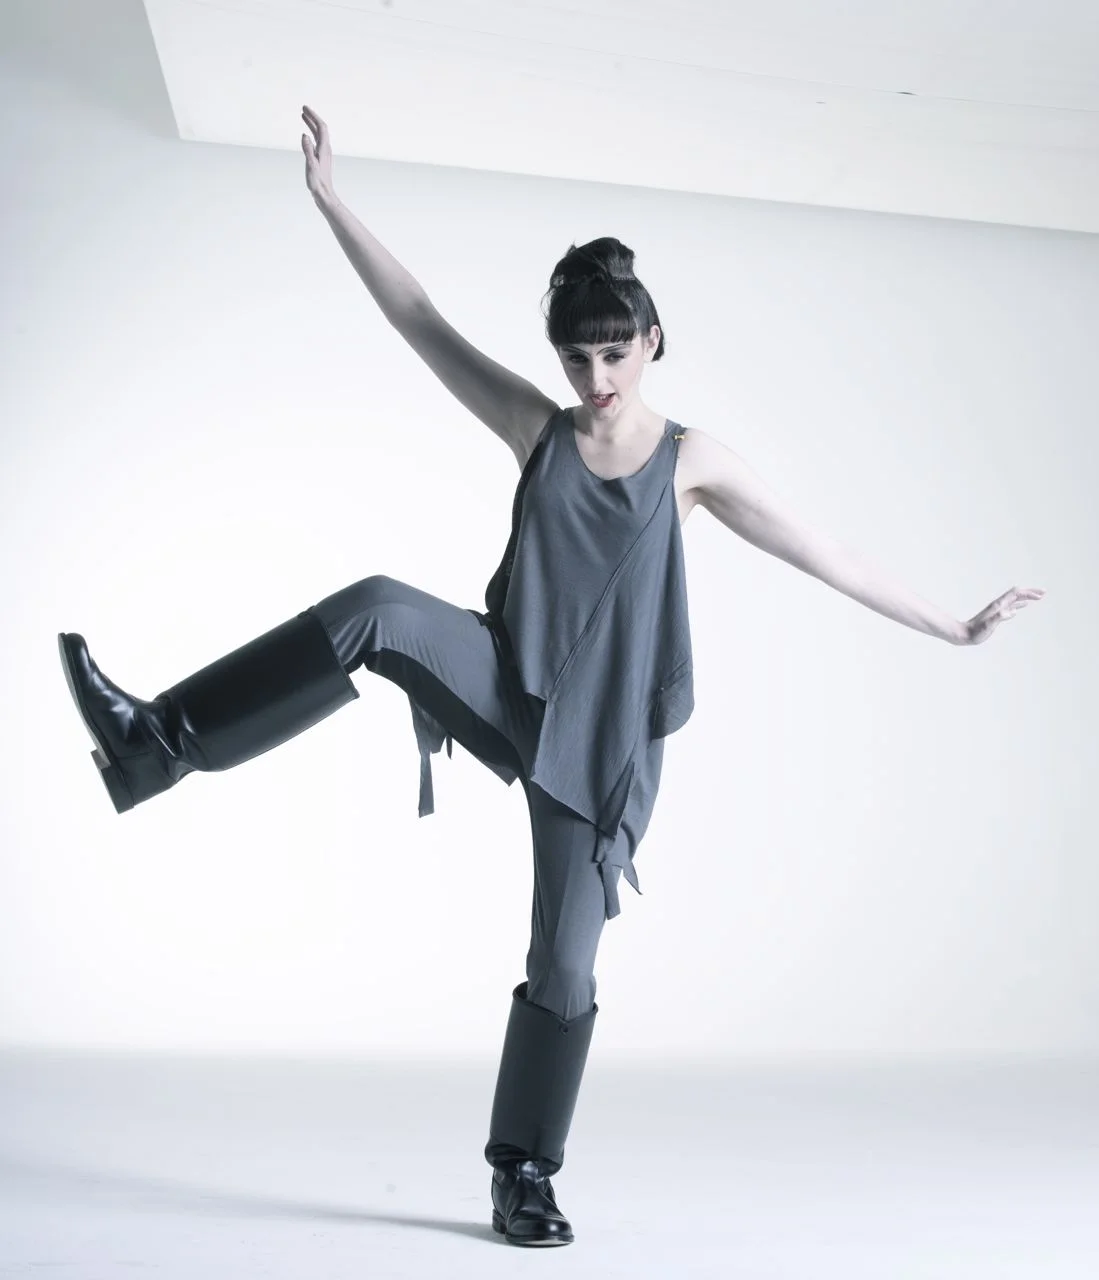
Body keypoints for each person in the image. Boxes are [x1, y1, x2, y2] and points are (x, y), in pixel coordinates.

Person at [57, 105, 1046, 1249]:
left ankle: (522, 1169)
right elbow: (419, 319)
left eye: (613, 353)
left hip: (595, 748)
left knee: (563, 962)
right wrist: (332, 200)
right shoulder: (538, 428)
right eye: (576, 356)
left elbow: (827, 552)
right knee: (377, 605)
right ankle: (158, 741)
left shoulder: (691, 461)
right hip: (504, 679)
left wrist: (952, 624)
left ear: (652, 341)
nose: (594, 376)